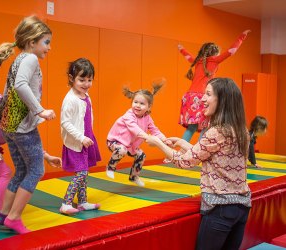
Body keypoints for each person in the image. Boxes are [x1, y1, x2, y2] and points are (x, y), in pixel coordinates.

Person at [145, 78, 251, 250]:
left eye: (208, 94)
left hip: (220, 208)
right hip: (242, 206)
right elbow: (208, 153)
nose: (202, 99)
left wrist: (157, 142)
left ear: (222, 100)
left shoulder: (216, 131)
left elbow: (184, 162)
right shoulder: (241, 130)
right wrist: (180, 141)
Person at [0, 15, 56, 234]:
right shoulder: (30, 59)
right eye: (46, 42)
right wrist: (40, 110)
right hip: (22, 126)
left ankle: (4, 214)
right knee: (36, 170)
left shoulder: (19, 59)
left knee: (21, 170)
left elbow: (8, 92)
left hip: (9, 126)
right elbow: (20, 85)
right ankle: (14, 217)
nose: (49, 47)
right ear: (32, 42)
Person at [0, 80, 61, 222]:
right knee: (6, 173)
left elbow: (29, 145)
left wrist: (47, 156)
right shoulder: (16, 120)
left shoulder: (5, 104)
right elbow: (29, 144)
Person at [178, 30, 251, 142]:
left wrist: (182, 49)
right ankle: (200, 151)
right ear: (215, 53)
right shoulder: (215, 60)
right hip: (203, 97)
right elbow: (232, 51)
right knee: (207, 126)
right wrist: (242, 36)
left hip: (189, 96)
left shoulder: (198, 61)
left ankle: (179, 154)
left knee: (192, 128)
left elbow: (189, 57)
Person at [106, 80, 172, 187]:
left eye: (142, 104)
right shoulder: (129, 115)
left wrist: (164, 139)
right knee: (121, 150)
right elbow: (134, 129)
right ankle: (111, 167)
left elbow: (155, 130)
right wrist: (147, 137)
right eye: (135, 102)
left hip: (130, 145)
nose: (137, 105)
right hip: (115, 141)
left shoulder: (147, 118)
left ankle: (134, 176)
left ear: (149, 107)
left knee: (141, 155)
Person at [60, 58, 101, 215]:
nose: (86, 83)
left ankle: (82, 202)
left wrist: (88, 134)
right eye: (81, 80)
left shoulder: (86, 95)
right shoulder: (70, 99)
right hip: (76, 142)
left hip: (86, 138)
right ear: (72, 79)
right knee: (81, 172)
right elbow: (65, 122)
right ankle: (66, 203)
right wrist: (81, 137)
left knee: (85, 171)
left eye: (89, 80)